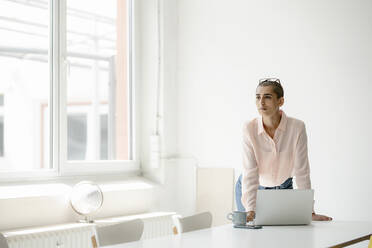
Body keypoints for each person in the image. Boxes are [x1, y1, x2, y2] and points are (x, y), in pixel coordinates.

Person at [235, 78, 332, 222]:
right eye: (258, 97)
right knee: (251, 236)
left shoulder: (297, 127)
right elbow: (250, 173)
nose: (261, 102)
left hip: (284, 188)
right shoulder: (249, 128)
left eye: (267, 97)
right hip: (253, 188)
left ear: (281, 101)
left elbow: (301, 172)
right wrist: (250, 209)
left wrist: (308, 211)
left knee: (284, 237)